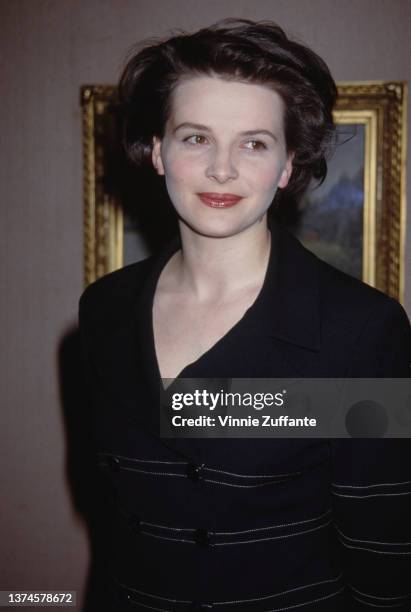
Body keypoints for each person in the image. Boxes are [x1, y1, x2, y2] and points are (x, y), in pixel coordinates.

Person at [79, 19, 411, 611]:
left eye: (254, 143)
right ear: (157, 150)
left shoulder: (363, 330)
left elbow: (385, 556)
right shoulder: (102, 311)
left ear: (287, 167)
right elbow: (112, 520)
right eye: (195, 138)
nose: (223, 169)